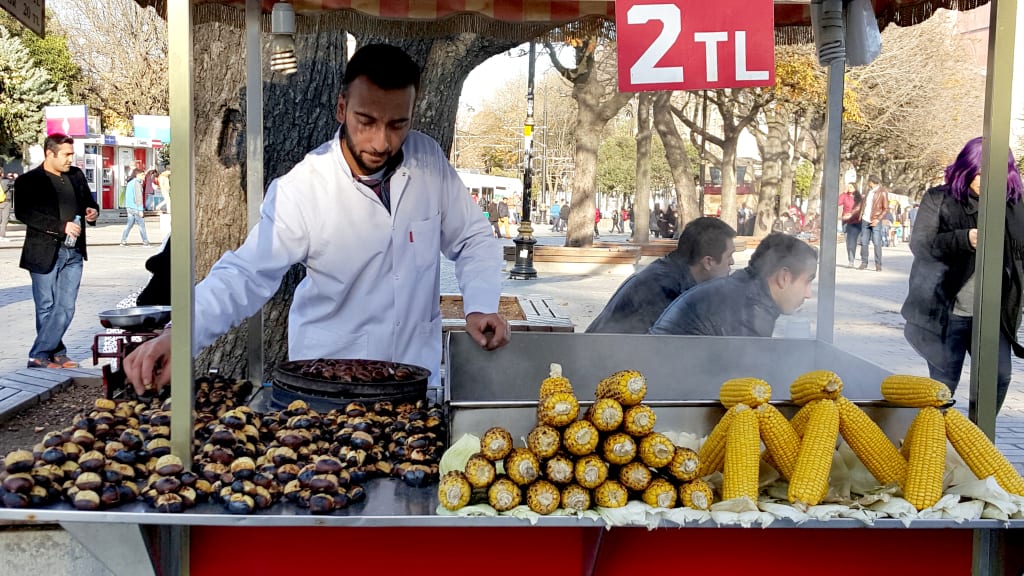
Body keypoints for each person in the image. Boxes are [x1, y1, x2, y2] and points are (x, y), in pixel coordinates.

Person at [124, 44, 509, 393]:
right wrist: (181, 336)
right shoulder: (304, 187)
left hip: (414, 379)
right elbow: (245, 273)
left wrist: (480, 304)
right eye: (366, 121)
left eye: (397, 125)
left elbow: (473, 238)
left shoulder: (427, 158)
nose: (381, 142)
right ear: (342, 108)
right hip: (330, 388)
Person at [901, 137, 1024, 413]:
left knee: (999, 377)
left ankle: (975, 439)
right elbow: (920, 245)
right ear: (966, 168)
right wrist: (963, 239)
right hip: (948, 311)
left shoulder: (1015, 206)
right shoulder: (939, 198)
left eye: (992, 172)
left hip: (994, 315)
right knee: (943, 386)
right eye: (978, 171)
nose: (983, 178)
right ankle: (934, 443)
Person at [16, 133, 100, 368]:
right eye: (66, 154)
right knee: (46, 306)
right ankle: (54, 353)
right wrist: (61, 227)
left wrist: (93, 212)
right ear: (49, 153)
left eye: (71, 154)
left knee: (66, 306)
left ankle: (40, 353)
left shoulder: (76, 176)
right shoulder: (29, 181)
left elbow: (88, 202)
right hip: (43, 252)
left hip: (73, 253)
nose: (70, 159)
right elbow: (25, 214)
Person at [586, 217, 737, 334]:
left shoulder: (671, 272)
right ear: (708, 262)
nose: (732, 262)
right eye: (729, 256)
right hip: (605, 366)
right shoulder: (665, 288)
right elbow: (662, 348)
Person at [649, 233, 817, 337]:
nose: (809, 293)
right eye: (807, 281)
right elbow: (749, 381)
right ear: (784, 277)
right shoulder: (749, 311)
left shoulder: (742, 289)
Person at [858, 175, 888, 271]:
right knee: (864, 242)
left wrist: (878, 219)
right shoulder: (869, 192)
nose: (868, 183)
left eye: (869, 182)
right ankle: (864, 262)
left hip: (875, 220)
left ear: (872, 182)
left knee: (876, 242)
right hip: (865, 219)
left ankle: (878, 264)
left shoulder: (882, 192)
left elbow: (885, 208)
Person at [120, 169, 151, 246]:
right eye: (142, 175)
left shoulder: (130, 182)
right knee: (141, 225)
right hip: (136, 207)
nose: (144, 176)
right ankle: (145, 241)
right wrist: (140, 210)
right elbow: (138, 198)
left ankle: (123, 240)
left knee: (129, 224)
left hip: (129, 207)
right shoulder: (137, 183)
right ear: (137, 175)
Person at [0, 172, 14, 242]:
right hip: (6, 202)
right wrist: (11, 177)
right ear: (2, 174)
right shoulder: (6, 181)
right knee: (4, 220)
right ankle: (1, 236)